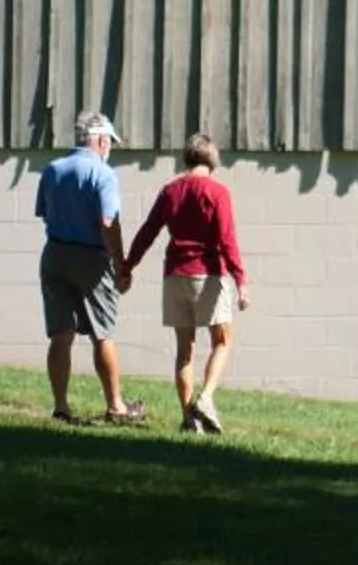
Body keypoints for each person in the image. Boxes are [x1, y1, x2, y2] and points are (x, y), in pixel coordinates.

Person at [125, 131, 249, 435]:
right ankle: (205, 399)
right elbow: (226, 240)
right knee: (222, 341)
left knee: (184, 351)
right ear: (212, 159)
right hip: (206, 275)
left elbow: (148, 231)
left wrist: (128, 266)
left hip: (175, 276)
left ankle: (187, 417)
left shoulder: (170, 191)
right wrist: (241, 280)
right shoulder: (217, 192)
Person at [32, 111, 146, 426]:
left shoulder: (52, 169)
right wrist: (120, 263)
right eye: (108, 140)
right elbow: (108, 222)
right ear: (98, 139)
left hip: (54, 253)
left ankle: (61, 405)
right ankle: (115, 405)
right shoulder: (104, 174)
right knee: (103, 333)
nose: (109, 147)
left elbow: (44, 213)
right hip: (91, 259)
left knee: (61, 334)